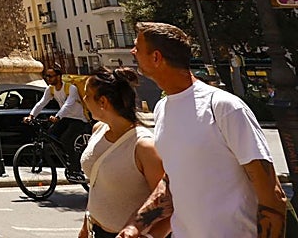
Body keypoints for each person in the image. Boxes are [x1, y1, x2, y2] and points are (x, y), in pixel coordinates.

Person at [117, 22, 286, 238]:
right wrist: (136, 226)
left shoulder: (223, 107)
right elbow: (172, 180)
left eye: (137, 47)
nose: (132, 52)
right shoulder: (162, 109)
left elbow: (272, 195)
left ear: (156, 57)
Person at [78, 67, 168, 238]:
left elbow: (166, 203)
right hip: (96, 230)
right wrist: (86, 225)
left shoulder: (143, 146)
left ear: (103, 102)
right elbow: (97, 185)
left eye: (87, 95)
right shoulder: (98, 130)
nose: (84, 99)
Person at [24, 65, 89, 182]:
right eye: (46, 76)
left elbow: (68, 105)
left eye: (50, 76)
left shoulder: (71, 88)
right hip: (65, 118)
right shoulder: (51, 89)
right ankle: (67, 155)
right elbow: (41, 103)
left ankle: (77, 170)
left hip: (78, 119)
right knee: (51, 134)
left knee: (66, 139)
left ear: (59, 77)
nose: (48, 78)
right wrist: (31, 116)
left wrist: (57, 116)